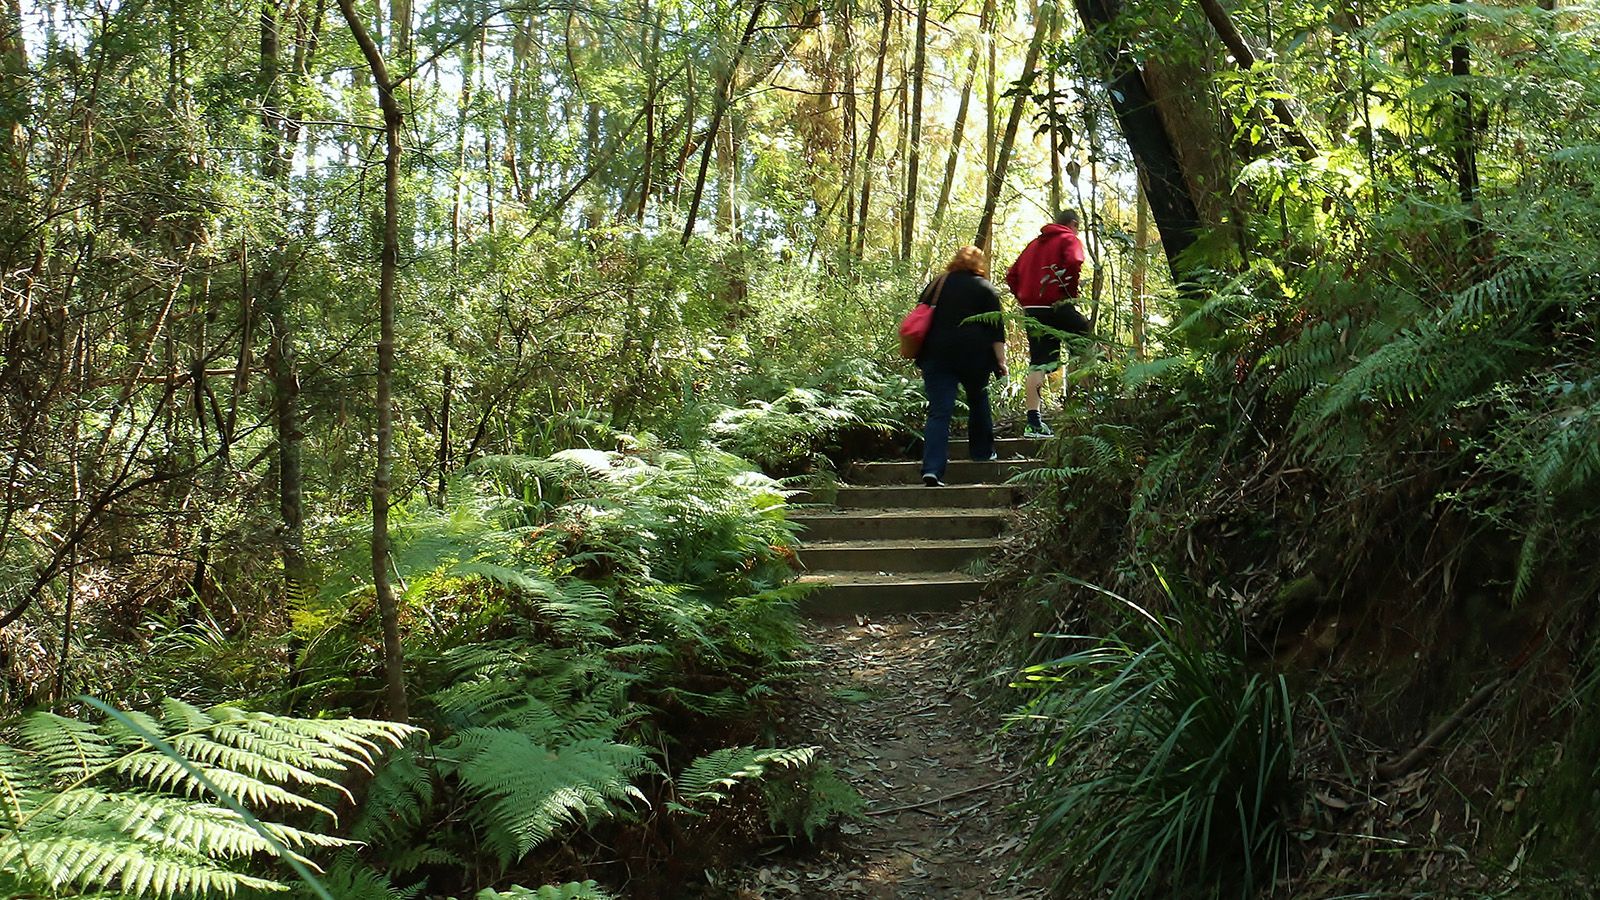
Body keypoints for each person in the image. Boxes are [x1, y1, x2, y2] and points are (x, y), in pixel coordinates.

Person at [916, 245, 1008, 487]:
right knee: (978, 402)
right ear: (980, 264)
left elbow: (920, 314)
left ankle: (933, 469)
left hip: (936, 355)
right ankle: (982, 454)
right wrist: (1001, 361)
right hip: (974, 357)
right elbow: (996, 330)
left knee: (939, 412)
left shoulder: (936, 284)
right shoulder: (985, 288)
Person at [1004, 209, 1091, 437]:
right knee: (1085, 339)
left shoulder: (1034, 245)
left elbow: (1011, 275)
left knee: (1039, 362)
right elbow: (1074, 260)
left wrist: (1025, 297)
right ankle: (1088, 403)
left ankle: (1033, 424)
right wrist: (1068, 292)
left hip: (1033, 309)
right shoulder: (1068, 239)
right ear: (1073, 224)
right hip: (1056, 304)